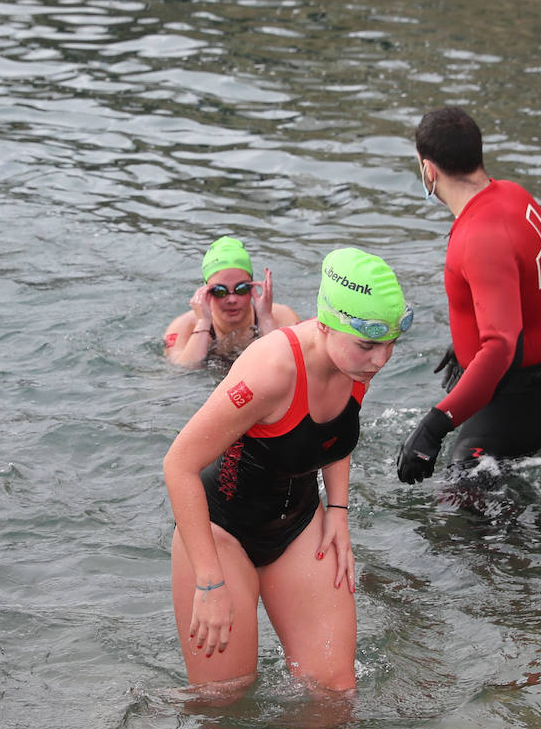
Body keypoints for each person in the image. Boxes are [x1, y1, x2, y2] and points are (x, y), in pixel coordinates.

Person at [163, 248, 411, 694]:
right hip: (221, 533)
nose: (380, 360)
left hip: (297, 524)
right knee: (225, 702)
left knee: (333, 693)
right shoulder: (271, 370)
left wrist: (338, 511)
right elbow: (179, 464)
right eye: (370, 345)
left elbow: (336, 434)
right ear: (328, 322)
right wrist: (209, 580)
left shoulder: (353, 360)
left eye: (390, 344)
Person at [397, 107, 541, 484]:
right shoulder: (514, 196)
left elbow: (501, 346)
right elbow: (518, 293)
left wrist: (434, 424)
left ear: (428, 170)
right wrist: (466, 341)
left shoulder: (480, 237)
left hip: (516, 402)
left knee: (459, 520)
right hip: (537, 386)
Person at [164, 235, 299, 367]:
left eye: (241, 289)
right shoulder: (184, 327)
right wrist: (203, 323)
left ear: (252, 287)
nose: (232, 299)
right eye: (220, 291)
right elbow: (184, 371)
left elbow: (288, 366)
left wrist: (266, 319)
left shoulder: (282, 317)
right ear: (206, 291)